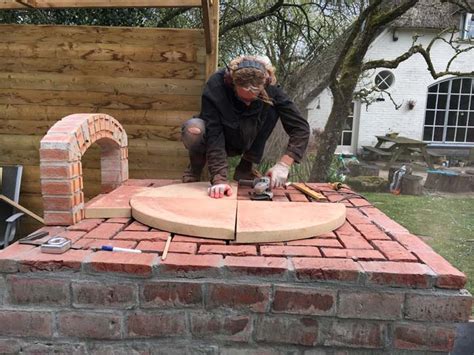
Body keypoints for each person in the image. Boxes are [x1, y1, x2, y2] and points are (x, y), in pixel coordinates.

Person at [181, 55, 310, 198]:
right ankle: (195, 168)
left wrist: (284, 164)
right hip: (223, 135)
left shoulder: (271, 88)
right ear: (231, 83)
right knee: (194, 129)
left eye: (254, 98)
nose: (248, 104)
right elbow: (214, 132)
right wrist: (219, 179)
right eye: (242, 98)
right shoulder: (216, 86)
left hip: (248, 136)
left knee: (271, 107)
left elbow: (300, 127)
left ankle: (245, 167)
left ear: (265, 84)